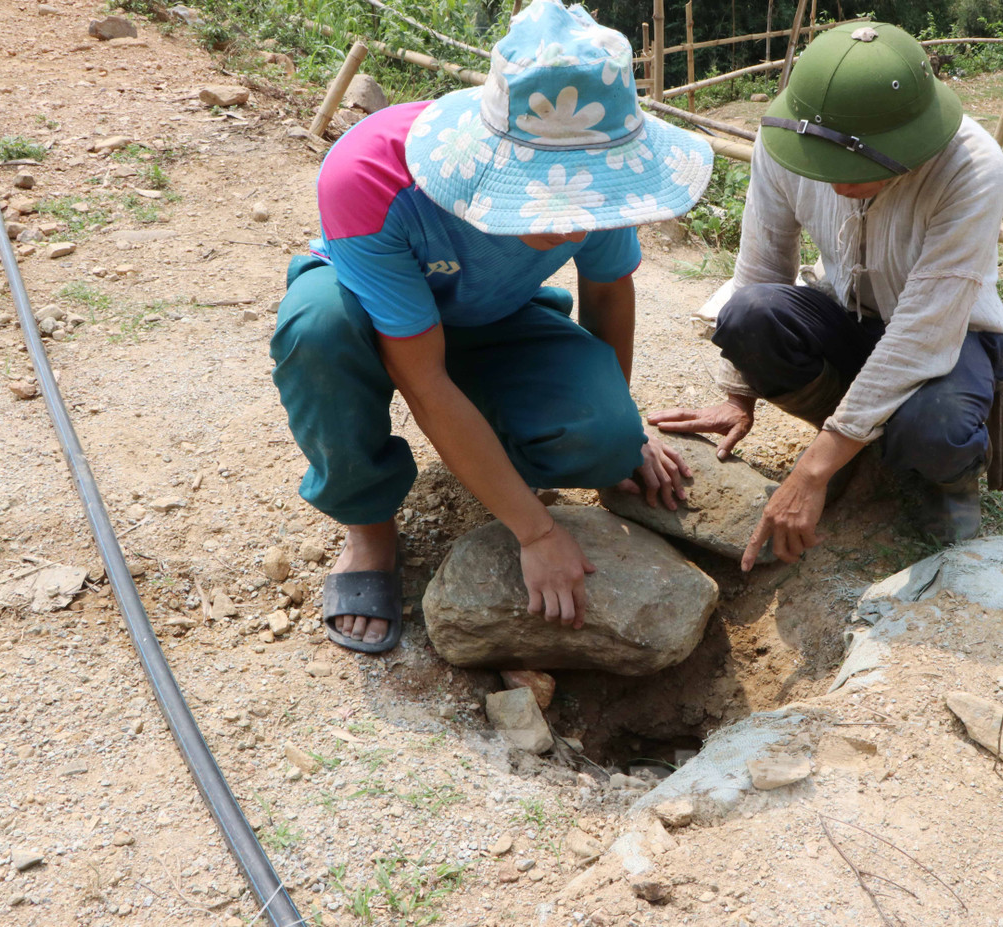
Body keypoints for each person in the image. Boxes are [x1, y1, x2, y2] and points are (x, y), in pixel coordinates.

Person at [271, 0, 714, 652]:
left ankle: (491, 445)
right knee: (318, 331)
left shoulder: (602, 175)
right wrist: (534, 532)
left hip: (496, 317)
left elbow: (609, 294)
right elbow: (420, 378)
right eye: (548, 192)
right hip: (369, 311)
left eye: (587, 197)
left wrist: (622, 423)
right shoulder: (370, 174)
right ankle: (368, 523)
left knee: (607, 438)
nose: (570, 223)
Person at [650, 21, 1003, 569]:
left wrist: (810, 470)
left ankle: (945, 480)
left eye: (855, 168)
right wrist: (738, 395)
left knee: (936, 428)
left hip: (947, 333)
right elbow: (761, 269)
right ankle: (859, 442)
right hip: (845, 313)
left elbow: (922, 333)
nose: (838, 184)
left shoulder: (971, 168)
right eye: (825, 167)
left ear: (910, 146)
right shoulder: (787, 142)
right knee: (748, 316)